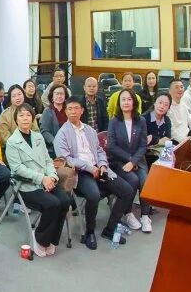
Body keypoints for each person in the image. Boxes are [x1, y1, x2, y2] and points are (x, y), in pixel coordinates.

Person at [54, 98, 134, 249]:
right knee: (94, 195)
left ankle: (110, 229)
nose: (73, 111)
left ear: (82, 111)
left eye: (76, 108)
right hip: (80, 173)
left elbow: (99, 150)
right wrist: (90, 168)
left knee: (127, 191)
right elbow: (66, 159)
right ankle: (89, 232)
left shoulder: (89, 130)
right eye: (70, 109)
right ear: (65, 111)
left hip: (99, 168)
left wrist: (103, 165)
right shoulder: (62, 134)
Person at [5, 105, 71, 257]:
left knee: (65, 201)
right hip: (27, 185)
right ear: (16, 119)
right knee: (53, 203)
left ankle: (52, 239)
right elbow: (18, 168)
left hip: (47, 180)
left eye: (28, 115)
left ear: (33, 118)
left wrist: (52, 176)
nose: (25, 118)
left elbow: (48, 160)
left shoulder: (38, 137)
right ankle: (40, 238)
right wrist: (42, 178)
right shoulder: (12, 142)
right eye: (21, 115)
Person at [107, 91, 153, 234]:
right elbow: (112, 146)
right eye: (123, 100)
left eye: (129, 99)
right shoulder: (114, 121)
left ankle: (145, 216)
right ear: (119, 103)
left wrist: (133, 161)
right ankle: (128, 213)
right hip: (119, 161)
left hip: (138, 160)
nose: (126, 102)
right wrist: (129, 160)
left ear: (134, 102)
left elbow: (143, 145)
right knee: (133, 180)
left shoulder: (141, 121)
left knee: (144, 181)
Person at [39, 84, 69, 149]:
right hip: (54, 147)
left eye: (62, 94)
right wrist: (55, 142)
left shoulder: (69, 110)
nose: (59, 96)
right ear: (52, 96)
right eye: (57, 94)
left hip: (70, 145)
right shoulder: (48, 111)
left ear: (65, 96)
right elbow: (44, 131)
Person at [145, 92, 173, 157]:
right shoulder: (143, 119)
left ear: (168, 108)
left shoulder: (167, 120)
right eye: (160, 103)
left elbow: (167, 141)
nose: (162, 106)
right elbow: (145, 142)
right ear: (154, 103)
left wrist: (154, 139)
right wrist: (159, 141)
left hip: (162, 154)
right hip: (146, 156)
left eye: (166, 105)